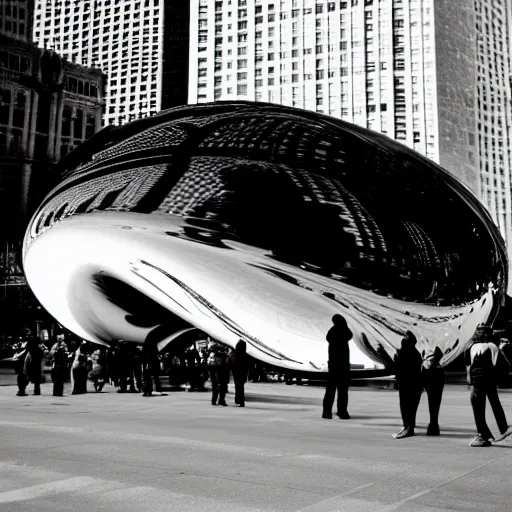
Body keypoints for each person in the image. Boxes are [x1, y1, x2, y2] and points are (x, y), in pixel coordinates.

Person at [465, 325, 512, 447]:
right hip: (487, 381)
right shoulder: (492, 348)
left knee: (478, 406)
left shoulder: (479, 347)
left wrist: (471, 379)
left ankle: (484, 434)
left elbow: (470, 366)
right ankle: (501, 428)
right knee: (493, 403)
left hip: (480, 382)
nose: (476, 334)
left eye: (479, 332)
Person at [393, 331, 423, 439]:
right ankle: (408, 427)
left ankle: (408, 428)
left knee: (406, 406)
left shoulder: (405, 354)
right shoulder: (415, 353)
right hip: (414, 384)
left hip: (408, 384)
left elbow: (397, 369)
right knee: (411, 407)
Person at [322, 314, 353, 419]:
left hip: (333, 365)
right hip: (343, 366)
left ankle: (327, 412)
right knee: (343, 391)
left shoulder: (332, 332)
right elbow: (350, 335)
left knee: (330, 390)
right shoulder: (344, 331)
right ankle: (342, 412)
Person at [422, 346, 445, 436]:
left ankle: (433, 424)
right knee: (434, 401)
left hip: (433, 373)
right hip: (434, 373)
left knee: (433, 401)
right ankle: (433, 424)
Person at [207, 339, 229, 406]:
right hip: (221, 369)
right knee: (222, 385)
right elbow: (226, 360)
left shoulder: (211, 348)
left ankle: (214, 400)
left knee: (214, 385)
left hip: (213, 369)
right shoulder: (223, 349)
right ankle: (221, 400)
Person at [230, 340, 249, 407]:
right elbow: (248, 365)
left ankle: (238, 399)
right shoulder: (246, 355)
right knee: (241, 386)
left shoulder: (235, 354)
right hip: (243, 371)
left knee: (237, 386)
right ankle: (241, 401)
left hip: (236, 371)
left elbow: (232, 363)